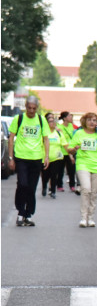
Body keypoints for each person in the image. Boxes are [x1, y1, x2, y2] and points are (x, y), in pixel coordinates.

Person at [8, 96, 50, 226]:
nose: (31, 111)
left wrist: (47, 156)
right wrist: (11, 158)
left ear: (36, 108)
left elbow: (46, 139)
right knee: (22, 184)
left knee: (31, 188)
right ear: (25, 107)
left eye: (34, 108)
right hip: (21, 157)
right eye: (29, 108)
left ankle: (29, 214)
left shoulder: (41, 120)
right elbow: (11, 138)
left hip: (36, 158)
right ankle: (20, 212)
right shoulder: (19, 119)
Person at [41, 113, 68, 199]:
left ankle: (53, 191)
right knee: (45, 175)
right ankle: (44, 186)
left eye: (53, 122)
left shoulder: (59, 134)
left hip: (56, 158)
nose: (52, 123)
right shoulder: (44, 133)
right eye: (50, 122)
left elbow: (65, 145)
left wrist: (71, 152)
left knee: (54, 175)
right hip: (45, 158)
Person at [56, 111, 77, 193]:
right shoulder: (59, 127)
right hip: (62, 151)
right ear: (64, 118)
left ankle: (72, 185)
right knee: (60, 169)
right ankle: (59, 185)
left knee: (71, 169)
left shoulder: (72, 126)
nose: (71, 117)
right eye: (69, 116)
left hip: (71, 150)